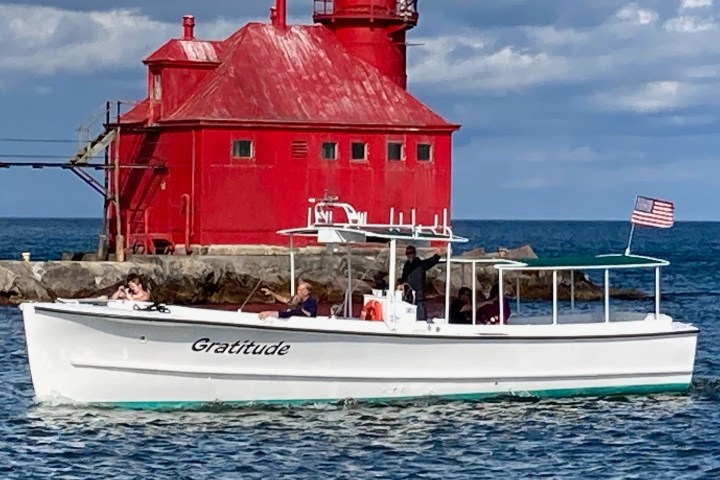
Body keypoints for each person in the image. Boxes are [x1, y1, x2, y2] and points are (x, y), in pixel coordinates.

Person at [400, 245, 443, 321]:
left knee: (420, 310)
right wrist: (401, 284)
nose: (409, 255)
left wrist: (438, 255)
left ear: (414, 253)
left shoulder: (419, 264)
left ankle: (421, 322)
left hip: (418, 292)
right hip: (408, 292)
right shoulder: (407, 265)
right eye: (407, 253)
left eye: (411, 252)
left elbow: (430, 262)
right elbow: (404, 277)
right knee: (408, 310)